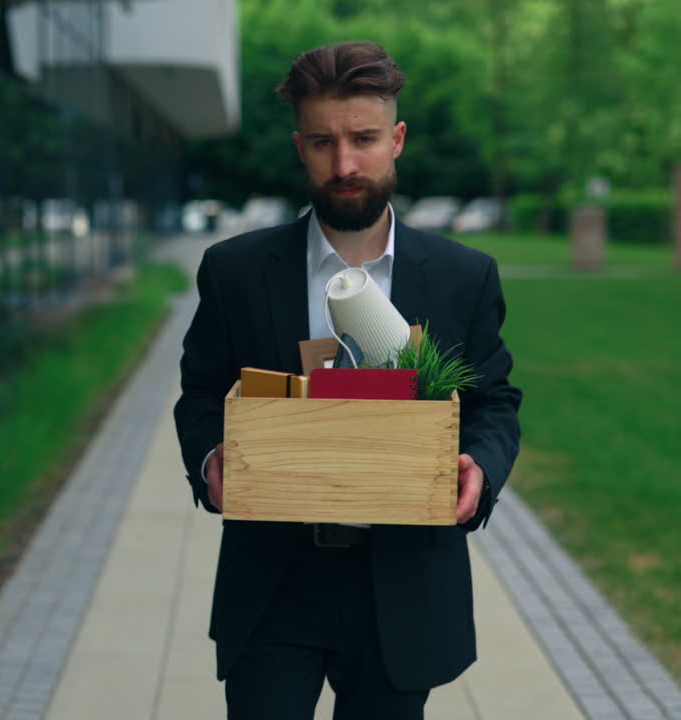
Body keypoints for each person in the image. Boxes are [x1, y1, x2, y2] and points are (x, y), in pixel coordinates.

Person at [172, 41, 522, 719]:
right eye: (324, 142)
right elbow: (201, 392)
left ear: (396, 140)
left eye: (363, 139)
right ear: (299, 146)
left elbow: (493, 402)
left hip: (403, 581)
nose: (345, 164)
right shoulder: (235, 272)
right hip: (274, 579)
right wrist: (213, 459)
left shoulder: (463, 277)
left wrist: (481, 465)